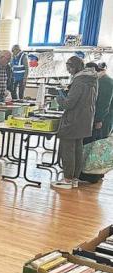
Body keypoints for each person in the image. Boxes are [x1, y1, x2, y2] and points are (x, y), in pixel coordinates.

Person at [52, 57, 98, 189]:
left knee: (68, 150)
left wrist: (59, 97)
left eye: (69, 68)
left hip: (73, 119)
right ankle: (74, 179)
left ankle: (67, 180)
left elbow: (69, 103)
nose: (69, 71)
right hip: (85, 119)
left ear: (74, 67)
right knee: (78, 149)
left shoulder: (79, 80)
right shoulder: (92, 79)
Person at [84, 62, 113, 143]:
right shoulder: (101, 81)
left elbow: (104, 104)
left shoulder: (106, 82)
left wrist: (98, 120)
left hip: (103, 121)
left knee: (96, 145)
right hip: (100, 118)